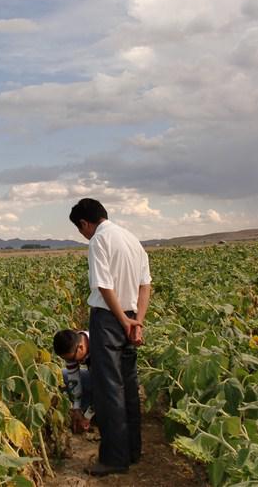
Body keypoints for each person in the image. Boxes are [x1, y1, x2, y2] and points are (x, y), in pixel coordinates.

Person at [69, 198, 152, 477]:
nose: (83, 235)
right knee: (129, 386)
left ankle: (114, 459)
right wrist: (136, 320)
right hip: (130, 317)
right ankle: (132, 451)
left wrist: (121, 319)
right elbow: (145, 285)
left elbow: (104, 286)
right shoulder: (131, 239)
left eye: (80, 229)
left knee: (109, 390)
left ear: (85, 223)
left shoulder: (98, 241)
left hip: (108, 319)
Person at [53, 329, 93, 433]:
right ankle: (82, 412)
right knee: (64, 375)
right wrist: (76, 408)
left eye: (72, 359)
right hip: (97, 378)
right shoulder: (75, 345)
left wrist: (87, 417)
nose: (71, 362)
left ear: (81, 347)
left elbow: (104, 389)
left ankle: (92, 414)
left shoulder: (99, 350)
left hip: (115, 385)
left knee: (97, 388)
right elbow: (73, 379)